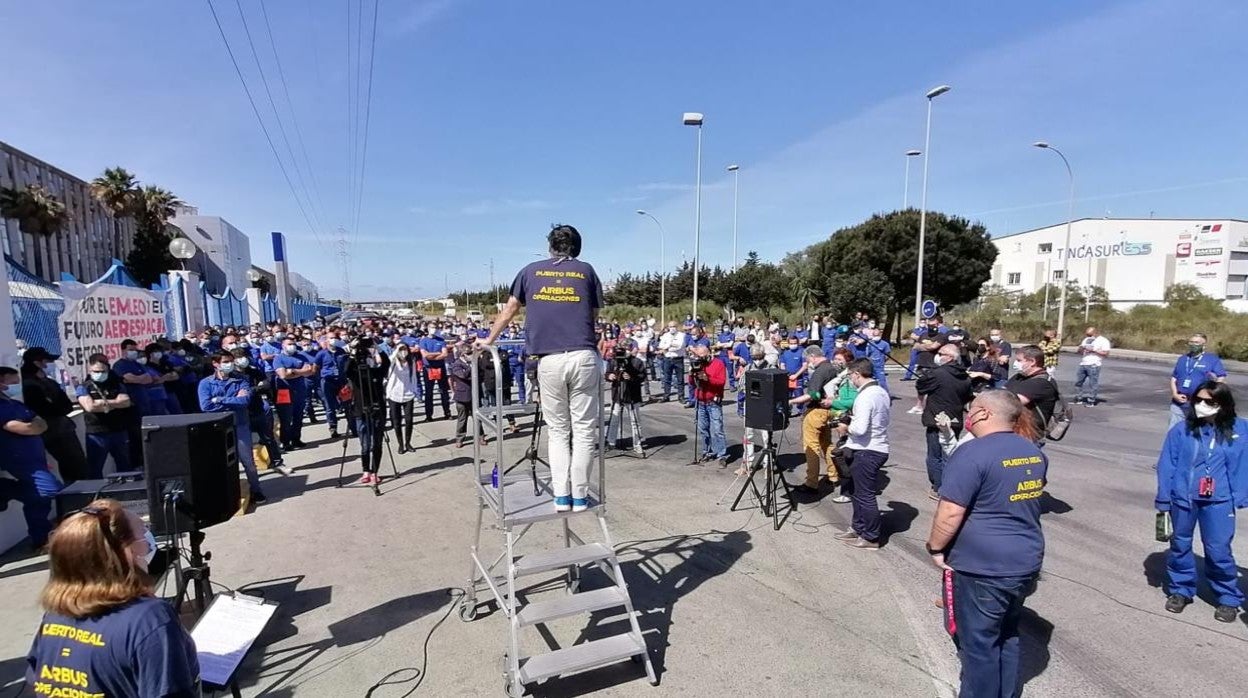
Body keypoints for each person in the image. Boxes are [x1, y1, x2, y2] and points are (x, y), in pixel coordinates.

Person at [925, 390, 1048, 698]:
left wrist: (936, 547)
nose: (968, 415)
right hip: (1024, 560)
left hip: (983, 566)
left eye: (972, 409)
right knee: (1006, 635)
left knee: (977, 645)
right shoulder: (1033, 451)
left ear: (982, 414)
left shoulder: (972, 453)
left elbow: (950, 511)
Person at [25, 499, 200, 697]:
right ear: (126, 552)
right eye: (143, 533)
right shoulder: (149, 619)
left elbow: (37, 682)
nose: (149, 540)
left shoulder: (55, 614)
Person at [484, 225, 604, 512]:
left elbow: (511, 308)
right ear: (577, 247)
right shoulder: (587, 271)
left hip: (549, 359)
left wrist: (488, 340)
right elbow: (594, 314)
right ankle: (580, 495)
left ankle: (561, 496)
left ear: (551, 246)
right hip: (583, 355)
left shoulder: (530, 271)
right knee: (585, 431)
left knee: (559, 430)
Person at [1154, 380, 1247, 624]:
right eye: (1198, 400)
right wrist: (1164, 499)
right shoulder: (1181, 430)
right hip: (1183, 498)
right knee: (1180, 545)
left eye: (1209, 402)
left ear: (1222, 405)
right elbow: (1167, 465)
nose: (1201, 405)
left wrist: (1241, 496)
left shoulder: (1240, 429)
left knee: (1218, 550)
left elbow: (1243, 465)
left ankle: (1227, 597)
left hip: (1219, 501)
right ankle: (1181, 590)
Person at [0, 366, 61, 550]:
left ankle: (40, 537)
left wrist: (35, 426)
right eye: (13, 381)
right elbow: (24, 428)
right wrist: (34, 426)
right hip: (18, 459)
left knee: (36, 499)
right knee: (52, 489)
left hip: (35, 458)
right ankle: (4, 489)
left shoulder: (15, 404)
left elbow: (41, 423)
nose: (18, 384)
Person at [833, 359, 890, 550]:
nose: (850, 379)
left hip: (868, 450)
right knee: (856, 493)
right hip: (872, 447)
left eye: (850, 376)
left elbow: (860, 428)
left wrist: (845, 427)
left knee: (865, 495)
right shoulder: (881, 392)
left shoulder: (866, 396)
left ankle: (871, 537)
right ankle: (858, 527)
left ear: (857, 374)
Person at [199, 351, 267, 502]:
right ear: (215, 364)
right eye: (225, 361)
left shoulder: (241, 380)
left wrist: (219, 399)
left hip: (240, 424)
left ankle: (256, 490)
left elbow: (244, 401)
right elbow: (206, 406)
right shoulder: (205, 383)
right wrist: (231, 401)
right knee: (222, 462)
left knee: (248, 460)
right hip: (218, 427)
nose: (229, 364)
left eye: (230, 360)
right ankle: (225, 493)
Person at [21, 347, 90, 483]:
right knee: (74, 466)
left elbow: (66, 405)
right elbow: (49, 409)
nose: (49, 365)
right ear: (37, 363)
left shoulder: (47, 381)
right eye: (46, 362)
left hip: (61, 428)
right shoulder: (31, 385)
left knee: (76, 465)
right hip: (54, 432)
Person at [917, 344, 973, 501]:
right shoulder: (965, 376)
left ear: (949, 357)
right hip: (955, 420)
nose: (937, 356)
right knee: (949, 454)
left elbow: (922, 387)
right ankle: (949, 485)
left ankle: (938, 487)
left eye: (940, 353)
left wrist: (923, 379)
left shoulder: (938, 374)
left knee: (935, 456)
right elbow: (967, 397)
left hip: (937, 421)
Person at [791, 345, 844, 495]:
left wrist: (791, 401)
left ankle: (811, 482)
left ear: (812, 356)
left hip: (816, 411)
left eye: (808, 360)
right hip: (829, 411)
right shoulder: (833, 368)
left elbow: (812, 394)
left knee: (811, 446)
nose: (808, 363)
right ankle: (834, 475)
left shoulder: (819, 371)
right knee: (826, 443)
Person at [231, 347, 291, 476]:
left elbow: (265, 385)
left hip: (257, 408)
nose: (243, 360)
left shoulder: (254, 371)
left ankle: (277, 462)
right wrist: (254, 389)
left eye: (244, 356)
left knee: (268, 437)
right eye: (239, 357)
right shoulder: (231, 375)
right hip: (241, 411)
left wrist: (252, 390)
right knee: (241, 443)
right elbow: (234, 393)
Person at [75, 354, 134, 478]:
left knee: (125, 466)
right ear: (89, 370)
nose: (100, 374)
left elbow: (125, 402)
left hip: (118, 430)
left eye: (103, 371)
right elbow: (90, 407)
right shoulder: (84, 387)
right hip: (97, 433)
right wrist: (115, 403)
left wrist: (103, 403)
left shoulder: (116, 384)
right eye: (96, 371)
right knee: (95, 468)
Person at [345, 338, 391, 484]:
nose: (365, 360)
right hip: (360, 412)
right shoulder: (355, 374)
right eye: (362, 358)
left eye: (367, 357)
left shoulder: (376, 372)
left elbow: (386, 363)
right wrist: (352, 354)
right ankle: (366, 471)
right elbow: (346, 369)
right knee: (365, 445)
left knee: (376, 444)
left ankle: (375, 471)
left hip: (377, 410)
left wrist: (377, 347)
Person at [1168, 333, 1227, 428]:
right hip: (1179, 403)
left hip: (1200, 404)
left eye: (1197, 343)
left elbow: (1221, 377)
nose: (1193, 344)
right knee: (1174, 431)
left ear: (1203, 345)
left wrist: (1213, 395)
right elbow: (1174, 378)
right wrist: (1175, 394)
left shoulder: (1211, 359)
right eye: (1191, 342)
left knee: (1197, 433)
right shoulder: (1183, 359)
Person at [1005, 346, 1060, 440]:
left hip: (1029, 435)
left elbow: (1012, 402)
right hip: (1013, 430)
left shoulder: (1042, 382)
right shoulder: (1019, 377)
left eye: (1019, 360)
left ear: (1032, 362)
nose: (1015, 363)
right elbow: (1001, 391)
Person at [689, 344, 729, 467]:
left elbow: (721, 382)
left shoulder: (718, 364)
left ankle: (722, 454)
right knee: (703, 429)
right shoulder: (698, 364)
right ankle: (707, 451)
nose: (699, 358)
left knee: (717, 429)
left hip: (713, 401)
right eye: (697, 356)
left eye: (701, 356)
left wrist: (708, 379)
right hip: (701, 400)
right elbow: (691, 383)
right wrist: (692, 374)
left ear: (708, 354)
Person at [273, 336, 316, 450]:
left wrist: (293, 371)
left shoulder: (301, 356)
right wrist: (301, 372)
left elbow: (309, 371)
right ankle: (285, 442)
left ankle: (296, 439)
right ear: (283, 346)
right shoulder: (278, 358)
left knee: (298, 416)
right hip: (283, 391)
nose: (292, 346)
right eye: (289, 344)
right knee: (286, 418)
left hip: (299, 390)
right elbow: (283, 375)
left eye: (293, 343)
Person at [604, 345, 646, 455]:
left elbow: (642, 376)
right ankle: (610, 442)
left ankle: (637, 444)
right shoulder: (613, 361)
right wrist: (610, 376)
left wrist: (631, 378)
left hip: (632, 395)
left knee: (635, 421)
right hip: (618, 394)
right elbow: (607, 373)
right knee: (614, 419)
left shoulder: (637, 362)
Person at [386, 340, 420, 453]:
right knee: (396, 421)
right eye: (401, 349)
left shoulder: (411, 361)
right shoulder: (393, 361)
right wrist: (396, 350)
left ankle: (408, 442)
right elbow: (389, 360)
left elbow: (414, 377)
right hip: (394, 394)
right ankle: (400, 444)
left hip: (408, 393)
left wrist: (415, 390)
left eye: (405, 349)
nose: (403, 352)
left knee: (409, 419)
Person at [313, 335, 347, 439]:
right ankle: (333, 428)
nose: (334, 340)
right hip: (327, 381)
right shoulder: (321, 354)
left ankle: (353, 428)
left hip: (341, 381)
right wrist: (321, 378)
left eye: (335, 338)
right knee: (329, 407)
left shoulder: (342, 351)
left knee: (347, 404)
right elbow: (315, 368)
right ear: (326, 341)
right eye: (331, 338)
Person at [419, 328, 453, 422]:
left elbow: (445, 354)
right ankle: (429, 415)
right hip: (428, 368)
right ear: (428, 329)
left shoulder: (441, 340)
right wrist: (438, 354)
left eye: (435, 328)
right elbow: (425, 355)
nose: (433, 330)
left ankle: (447, 413)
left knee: (444, 391)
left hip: (440, 368)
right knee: (429, 393)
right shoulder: (423, 341)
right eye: (432, 328)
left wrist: (433, 356)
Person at [1074, 326, 1111, 406]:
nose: (1088, 336)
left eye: (1090, 335)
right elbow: (1079, 351)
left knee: (1093, 384)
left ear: (1095, 333)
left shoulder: (1103, 341)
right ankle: (1079, 398)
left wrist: (1094, 350)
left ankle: (1091, 400)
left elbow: (1106, 353)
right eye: (1087, 335)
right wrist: (1081, 348)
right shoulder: (1086, 339)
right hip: (1083, 363)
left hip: (1094, 364)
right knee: (1078, 382)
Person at [657, 322, 687, 403]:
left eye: (674, 326)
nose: (672, 328)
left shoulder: (682, 335)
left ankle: (681, 396)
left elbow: (680, 346)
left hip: (678, 359)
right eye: (670, 326)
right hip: (668, 358)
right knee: (667, 378)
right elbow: (661, 346)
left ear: (677, 327)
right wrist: (669, 346)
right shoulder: (665, 335)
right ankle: (666, 395)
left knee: (680, 379)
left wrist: (667, 347)